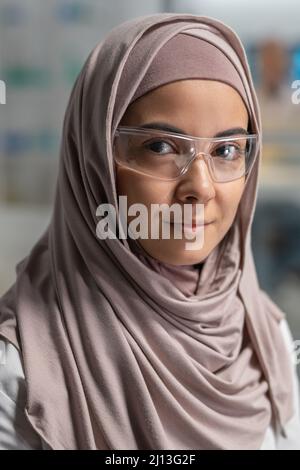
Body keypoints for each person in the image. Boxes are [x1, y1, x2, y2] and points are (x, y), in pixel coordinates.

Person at [0, 12, 300, 450]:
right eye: (160, 147)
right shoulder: (24, 374)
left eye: (228, 150)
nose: (200, 185)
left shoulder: (263, 339)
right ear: (94, 160)